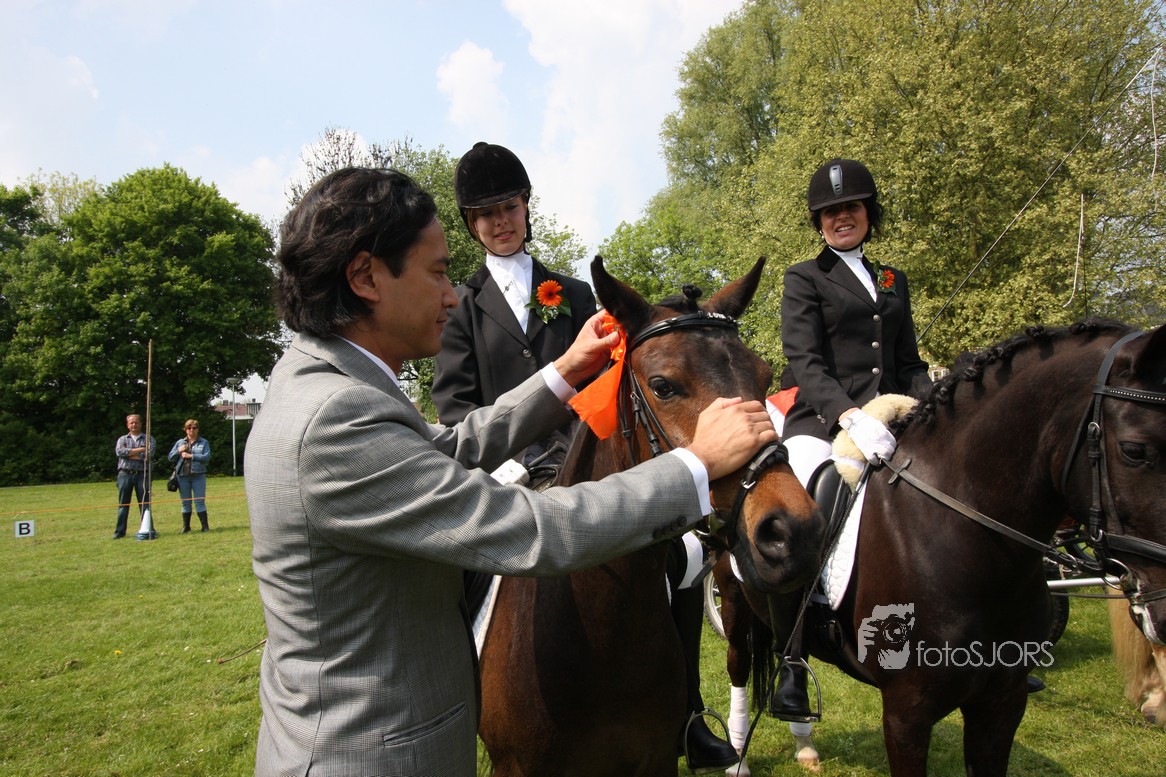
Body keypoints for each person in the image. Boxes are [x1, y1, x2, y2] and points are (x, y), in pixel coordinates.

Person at [244, 166, 776, 777]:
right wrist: (695, 465)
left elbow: (449, 444)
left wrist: (565, 371)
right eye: (437, 272)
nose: (450, 295)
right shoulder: (336, 420)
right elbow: (532, 531)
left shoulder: (329, 384)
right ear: (366, 277)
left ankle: (686, 708)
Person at [434, 141, 738, 770]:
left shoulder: (574, 293)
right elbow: (456, 406)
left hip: (585, 462)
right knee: (454, 573)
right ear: (471, 224)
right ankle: (459, 705)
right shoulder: (459, 307)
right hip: (506, 471)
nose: (500, 221)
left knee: (681, 553)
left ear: (526, 207)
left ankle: (687, 710)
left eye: (509, 207)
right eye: (486, 214)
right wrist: (506, 462)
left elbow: (614, 384)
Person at [773, 158, 933, 728]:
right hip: (821, 419)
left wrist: (933, 408)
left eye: (851, 207)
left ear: (868, 213)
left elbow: (909, 361)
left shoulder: (892, 280)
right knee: (800, 507)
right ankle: (792, 654)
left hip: (891, 417)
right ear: (818, 221)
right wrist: (847, 415)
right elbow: (805, 360)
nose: (842, 217)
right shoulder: (804, 278)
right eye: (831, 211)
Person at [113, 413, 155, 539]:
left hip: (142, 474)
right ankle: (120, 532)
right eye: (131, 422)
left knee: (145, 503)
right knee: (123, 504)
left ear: (141, 424)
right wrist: (141, 449)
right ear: (127, 425)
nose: (134, 424)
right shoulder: (122, 439)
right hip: (125, 474)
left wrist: (130, 453)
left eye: (136, 422)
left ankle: (148, 530)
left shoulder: (148, 439)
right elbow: (120, 452)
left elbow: (149, 455)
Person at [168, 419, 211, 532]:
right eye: (189, 428)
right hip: (182, 476)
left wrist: (191, 456)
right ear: (185, 429)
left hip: (198, 475)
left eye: (194, 428)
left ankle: (205, 527)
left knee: (199, 501)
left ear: (197, 429)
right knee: (185, 502)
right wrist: (179, 451)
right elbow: (170, 457)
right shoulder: (180, 442)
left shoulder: (204, 442)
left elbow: (207, 457)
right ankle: (186, 527)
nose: (191, 430)